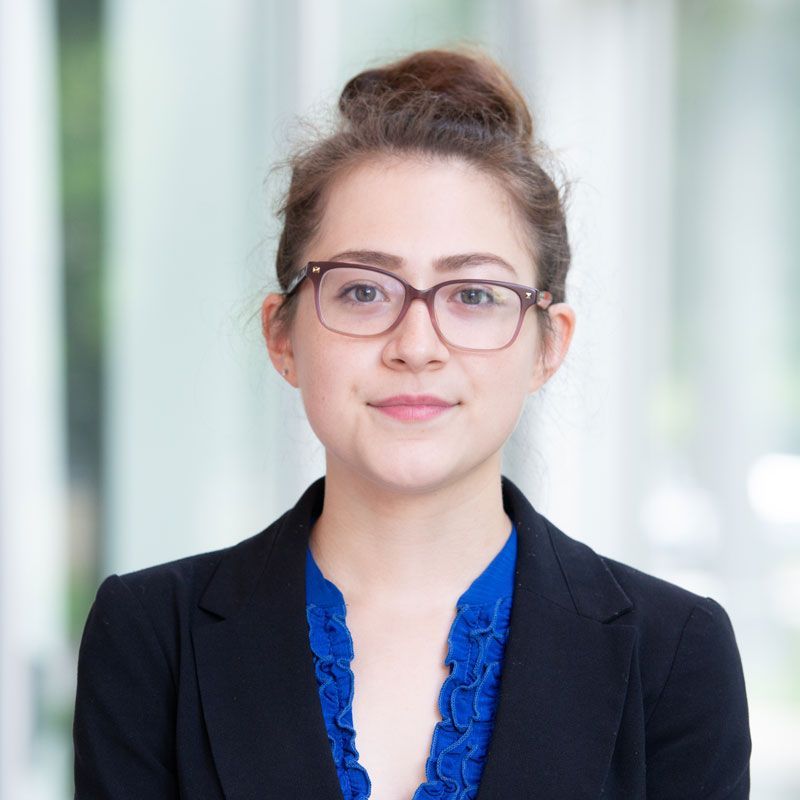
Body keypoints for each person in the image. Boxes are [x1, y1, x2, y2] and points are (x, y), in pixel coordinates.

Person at [72, 48, 751, 799]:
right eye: (363, 291)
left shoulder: (674, 653)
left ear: (547, 345)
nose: (417, 346)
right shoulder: (150, 638)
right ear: (283, 336)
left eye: (475, 295)